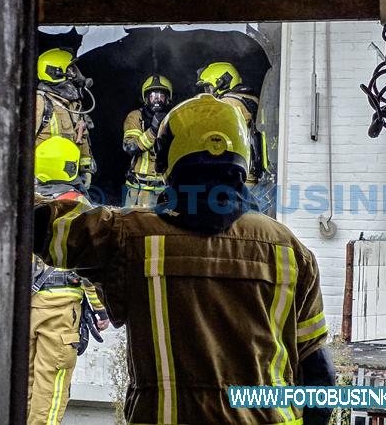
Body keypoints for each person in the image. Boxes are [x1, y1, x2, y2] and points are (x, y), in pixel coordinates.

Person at [33, 95, 336, 425]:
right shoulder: (289, 251)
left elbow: (42, 227)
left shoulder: (128, 238)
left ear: (166, 161)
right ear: (244, 158)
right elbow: (318, 373)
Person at [28, 136, 110, 425]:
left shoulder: (23, 201)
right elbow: (89, 266)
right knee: (51, 390)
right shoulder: (80, 208)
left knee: (23, 387)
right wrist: (100, 309)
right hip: (60, 309)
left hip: (24, 307)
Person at [196, 62, 269, 187]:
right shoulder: (250, 99)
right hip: (246, 176)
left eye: (209, 88)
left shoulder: (228, 103)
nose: (208, 93)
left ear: (222, 83)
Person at [36, 48, 97, 190]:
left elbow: (82, 140)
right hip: (43, 179)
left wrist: (86, 169)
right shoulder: (40, 102)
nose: (75, 74)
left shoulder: (74, 105)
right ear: (55, 72)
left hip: (70, 178)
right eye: (70, 69)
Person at [122, 74, 173, 207]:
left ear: (168, 98)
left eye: (161, 96)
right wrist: (153, 131)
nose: (157, 100)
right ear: (146, 98)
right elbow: (130, 148)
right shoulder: (136, 117)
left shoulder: (174, 118)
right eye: (153, 96)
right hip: (138, 189)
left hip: (166, 189)